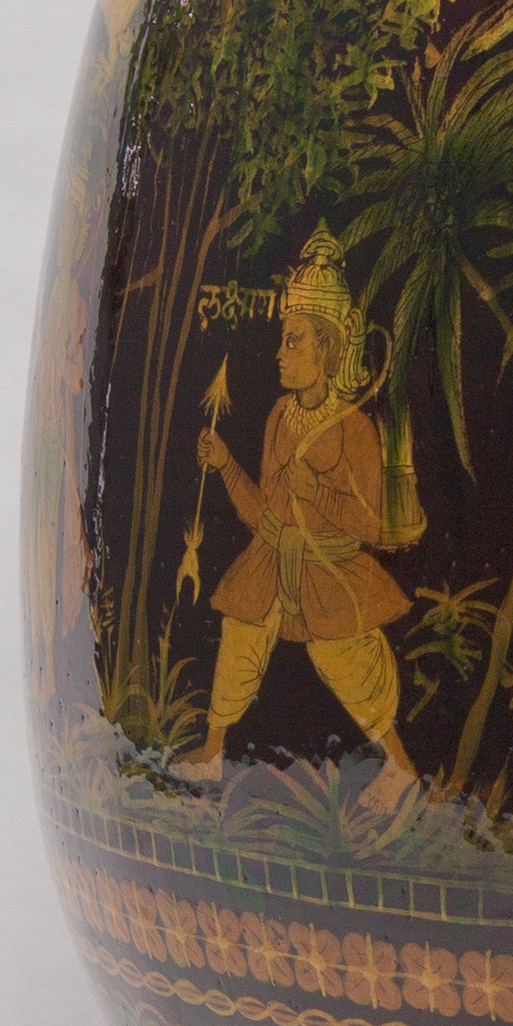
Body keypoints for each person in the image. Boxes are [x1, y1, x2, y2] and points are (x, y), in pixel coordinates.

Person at [180, 228, 417, 809]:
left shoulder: (355, 429)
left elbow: (375, 528)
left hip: (329, 569)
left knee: (352, 664)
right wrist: (226, 463)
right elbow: (264, 513)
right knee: (240, 635)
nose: (281, 353)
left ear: (329, 350)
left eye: (295, 341)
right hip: (274, 557)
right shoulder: (280, 417)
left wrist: (319, 495)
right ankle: (212, 753)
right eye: (283, 341)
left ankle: (402, 771)